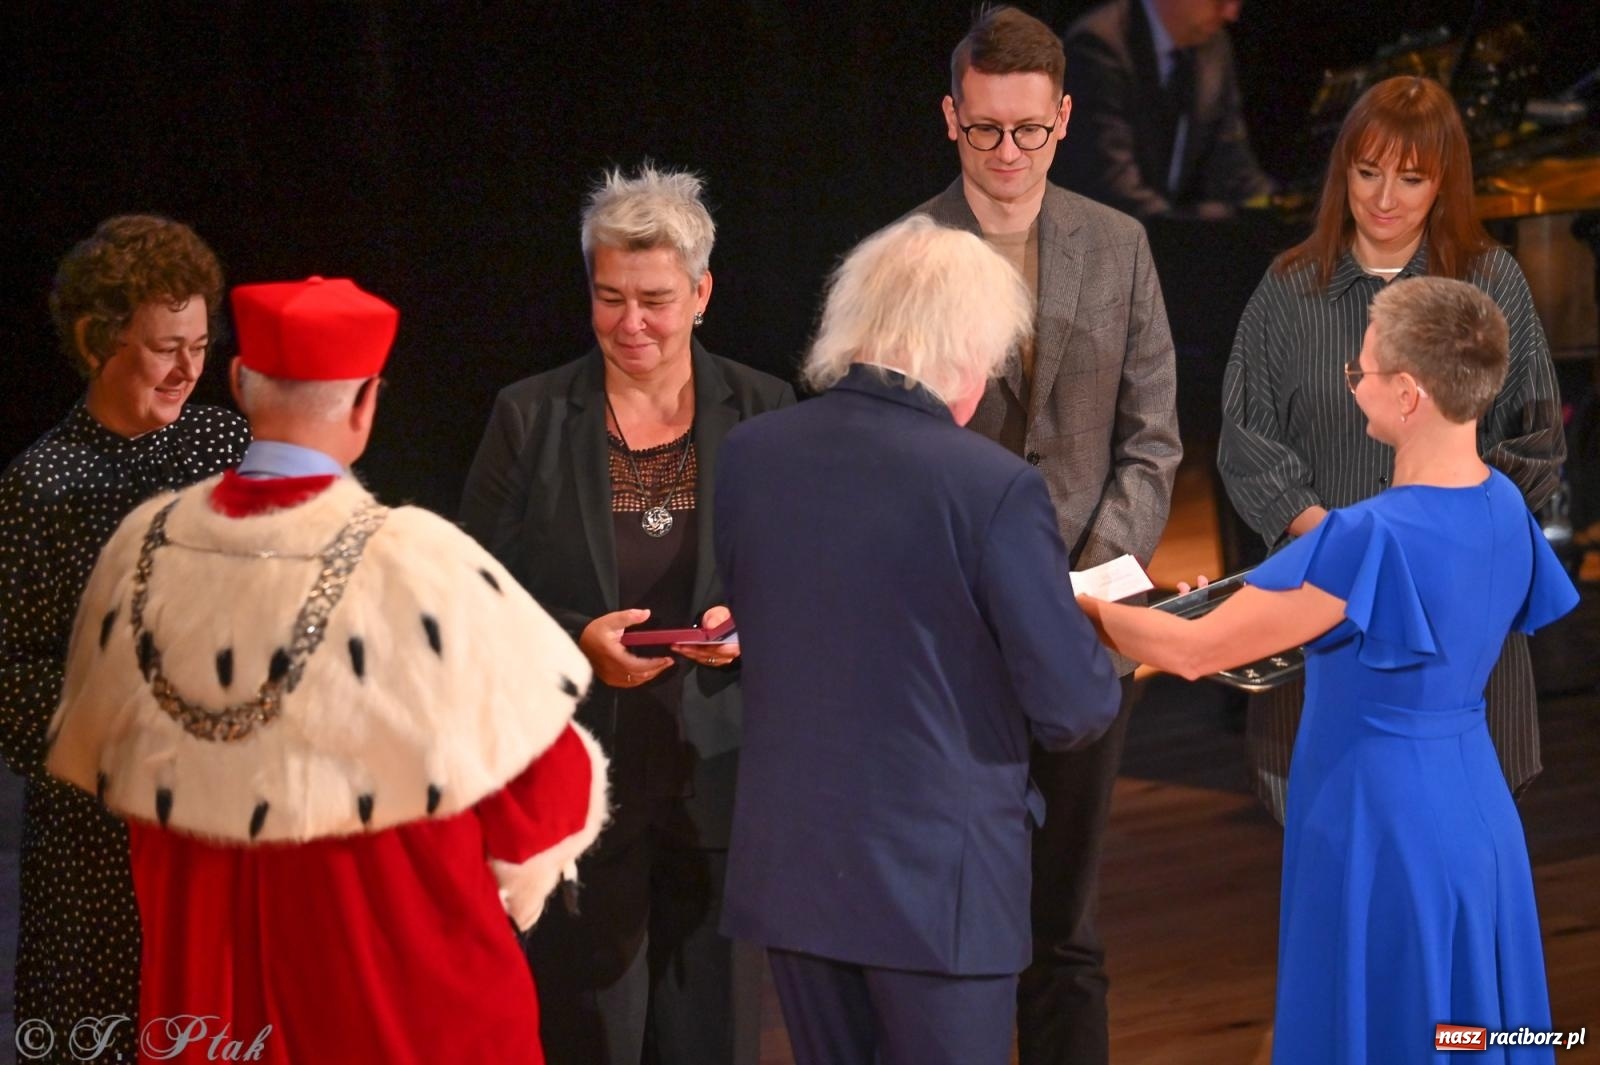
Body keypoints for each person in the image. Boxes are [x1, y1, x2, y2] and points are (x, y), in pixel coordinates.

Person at [46, 275, 608, 1064]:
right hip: (389, 1008)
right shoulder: (420, 564)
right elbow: (542, 798)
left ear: (238, 381)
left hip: (210, 1008)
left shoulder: (138, 548)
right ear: (367, 402)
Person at [1082, 276, 1576, 1064]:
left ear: (1408, 395)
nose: (1353, 382)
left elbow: (1191, 651)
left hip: (1379, 821)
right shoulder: (1507, 508)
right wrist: (1221, 616)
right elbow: (1377, 640)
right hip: (1476, 813)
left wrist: (1079, 603)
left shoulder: (1366, 535)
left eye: (1362, 370)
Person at [715, 213, 1121, 1065]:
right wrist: (1094, 630)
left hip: (796, 869)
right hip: (940, 884)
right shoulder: (993, 486)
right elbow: (1073, 707)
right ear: (966, 344)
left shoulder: (751, 455)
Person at [460, 164, 795, 1065]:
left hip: (719, 771)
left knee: (713, 1032)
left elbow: (803, 572)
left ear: (702, 294)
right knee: (589, 1031)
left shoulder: (765, 410)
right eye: (610, 297)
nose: (631, 322)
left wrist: (753, 620)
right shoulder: (529, 415)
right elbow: (470, 587)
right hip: (579, 777)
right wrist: (576, 640)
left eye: (655, 299)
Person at [909, 9, 1181, 1062]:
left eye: (1029, 130)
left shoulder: (1118, 245)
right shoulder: (907, 257)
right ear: (951, 117)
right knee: (957, 920)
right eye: (985, 130)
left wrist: (1082, 592)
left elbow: (1151, 442)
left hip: (1085, 626)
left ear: (1064, 118)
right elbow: (884, 455)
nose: (1008, 153)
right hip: (951, 639)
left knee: (1064, 926)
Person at [1217, 75, 1566, 823]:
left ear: (1443, 183)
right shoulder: (1288, 289)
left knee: (1454, 842)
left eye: (1410, 178)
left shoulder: (1490, 282)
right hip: (1321, 603)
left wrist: (1437, 545)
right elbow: (1248, 442)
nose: (1383, 198)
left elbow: (1536, 442)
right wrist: (1339, 546)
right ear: (1342, 169)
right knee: (1330, 836)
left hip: (1454, 613)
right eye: (1367, 171)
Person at [0, 214, 248, 1061]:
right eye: (165, 347)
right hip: (96, 851)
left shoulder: (225, 444)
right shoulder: (43, 485)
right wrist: (123, 726)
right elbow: (12, 681)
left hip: (218, 828)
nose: (188, 369)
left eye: (200, 346)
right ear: (97, 340)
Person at [1056, 0, 1276, 219]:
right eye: (1220, 1)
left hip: (1170, 226)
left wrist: (1278, 209)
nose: (1231, 14)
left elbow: (1233, 167)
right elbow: (1111, 185)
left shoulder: (1213, 44)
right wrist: (1196, 225)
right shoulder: (1098, 45)